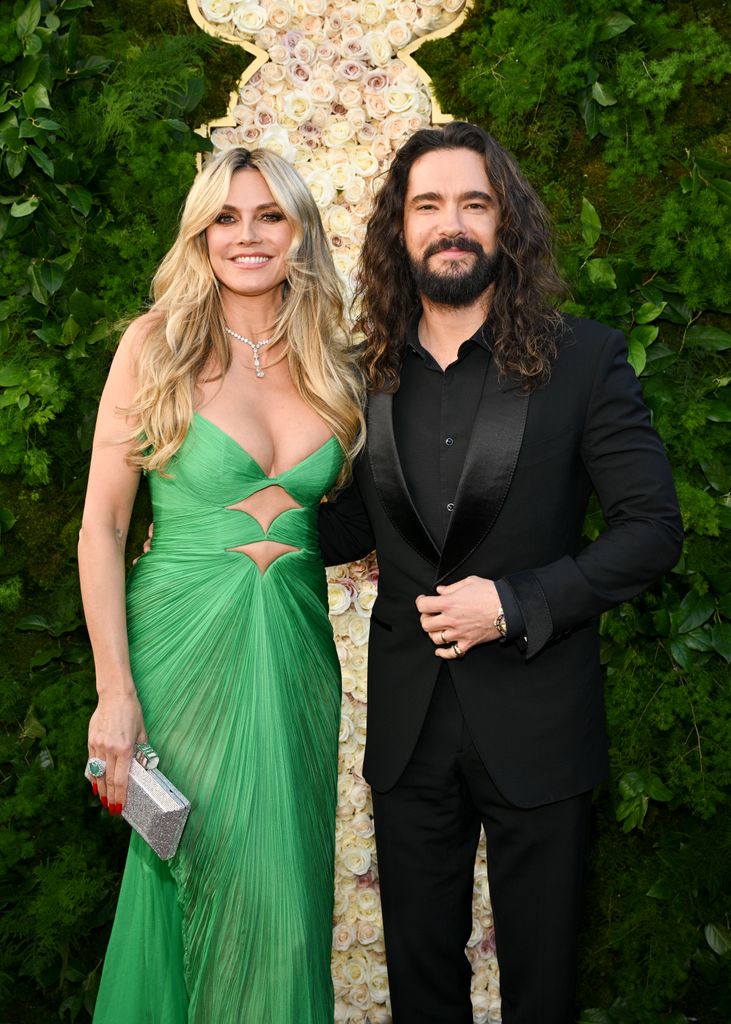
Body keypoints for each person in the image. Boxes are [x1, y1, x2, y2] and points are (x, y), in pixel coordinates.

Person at [318, 122, 683, 1024]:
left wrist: (516, 603)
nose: (452, 224)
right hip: (408, 733)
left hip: (540, 723)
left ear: (505, 222)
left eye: (473, 204)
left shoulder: (584, 361)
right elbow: (354, 524)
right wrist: (244, 508)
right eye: (428, 205)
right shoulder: (361, 369)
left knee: (543, 989)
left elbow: (650, 529)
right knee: (422, 993)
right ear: (398, 231)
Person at [78, 146, 364, 1022]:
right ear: (200, 235)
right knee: (194, 885)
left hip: (294, 660)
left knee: (286, 905)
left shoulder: (334, 356)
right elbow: (104, 527)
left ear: (299, 232)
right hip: (180, 652)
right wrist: (114, 694)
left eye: (269, 215)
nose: (247, 235)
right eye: (226, 218)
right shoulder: (154, 344)